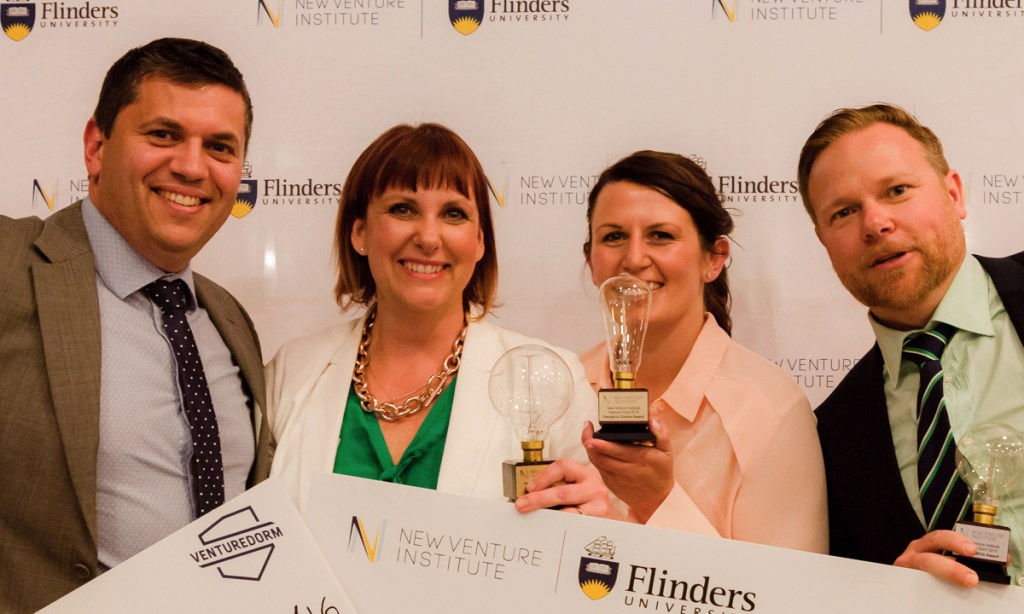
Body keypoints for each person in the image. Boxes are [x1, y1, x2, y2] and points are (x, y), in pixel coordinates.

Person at [0, 38, 274, 613]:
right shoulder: (9, 264)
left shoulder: (228, 319)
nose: (192, 166)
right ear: (96, 146)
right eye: (163, 135)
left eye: (220, 147)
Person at [266, 123, 608, 516]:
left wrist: (594, 525)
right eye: (403, 209)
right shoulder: (291, 372)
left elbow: (588, 548)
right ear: (359, 232)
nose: (429, 238)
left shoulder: (548, 378)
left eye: (453, 214)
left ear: (480, 241)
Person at [798, 103, 1024, 587]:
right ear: (823, 241)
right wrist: (896, 592)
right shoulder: (834, 435)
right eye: (844, 211)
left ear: (954, 194)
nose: (875, 223)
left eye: (897, 191)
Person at [572, 150, 828, 552]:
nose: (634, 258)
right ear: (591, 261)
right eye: (614, 236)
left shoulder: (770, 410)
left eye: (661, 235)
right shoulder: (565, 387)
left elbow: (786, 599)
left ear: (714, 258)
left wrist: (657, 500)